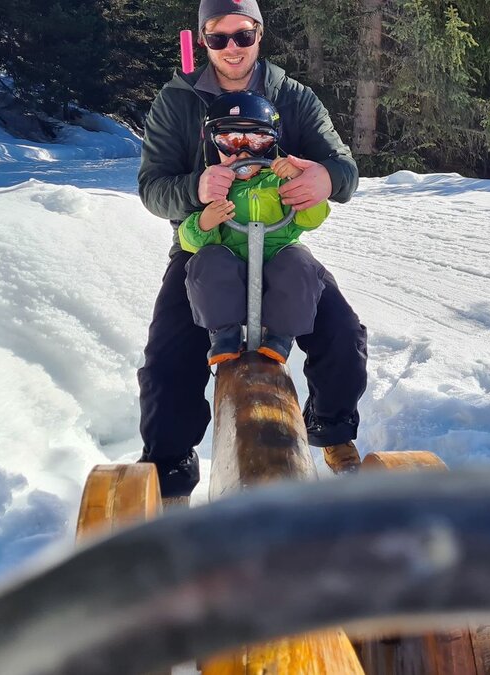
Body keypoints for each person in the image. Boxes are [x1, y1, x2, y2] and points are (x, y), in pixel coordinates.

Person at [136, 0, 367, 500]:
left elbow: (343, 167)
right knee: (169, 355)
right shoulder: (176, 103)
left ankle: (331, 429)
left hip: (278, 241)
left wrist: (326, 178)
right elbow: (152, 187)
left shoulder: (292, 96)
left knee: (343, 333)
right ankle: (168, 472)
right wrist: (197, 189)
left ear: (260, 34)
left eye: (243, 35)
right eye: (218, 38)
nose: (232, 48)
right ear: (203, 40)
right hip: (206, 245)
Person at [180, 90, 330, 366]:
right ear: (214, 145)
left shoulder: (277, 181)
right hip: (232, 258)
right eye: (230, 141)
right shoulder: (215, 183)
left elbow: (312, 219)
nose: (244, 152)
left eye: (258, 141)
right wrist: (205, 222)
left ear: (272, 145)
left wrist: (300, 184)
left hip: (276, 256)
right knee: (207, 262)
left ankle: (281, 334)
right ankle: (223, 332)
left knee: (300, 263)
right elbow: (188, 239)